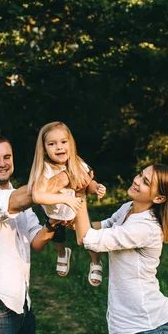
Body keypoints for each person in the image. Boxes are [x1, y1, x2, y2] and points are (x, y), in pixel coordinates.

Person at [0, 135, 75, 333]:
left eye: (7, 157)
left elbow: (36, 242)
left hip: (22, 301)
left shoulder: (21, 197)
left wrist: (52, 223)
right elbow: (13, 202)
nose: (2, 164)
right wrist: (67, 175)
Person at [74, 163, 168, 334]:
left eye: (146, 182)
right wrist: (65, 224)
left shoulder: (146, 227)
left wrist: (79, 194)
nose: (137, 181)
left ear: (159, 198)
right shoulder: (128, 208)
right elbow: (101, 227)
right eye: (140, 174)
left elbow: (89, 239)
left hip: (146, 325)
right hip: (124, 322)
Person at [27, 121, 107, 286]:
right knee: (58, 235)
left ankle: (96, 261)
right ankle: (62, 253)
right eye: (52, 144)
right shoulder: (45, 169)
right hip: (54, 211)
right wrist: (64, 199)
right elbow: (38, 197)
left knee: (87, 235)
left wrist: (96, 187)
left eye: (63, 142)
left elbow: (88, 181)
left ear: (71, 144)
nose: (59, 147)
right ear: (44, 148)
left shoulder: (77, 163)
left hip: (76, 208)